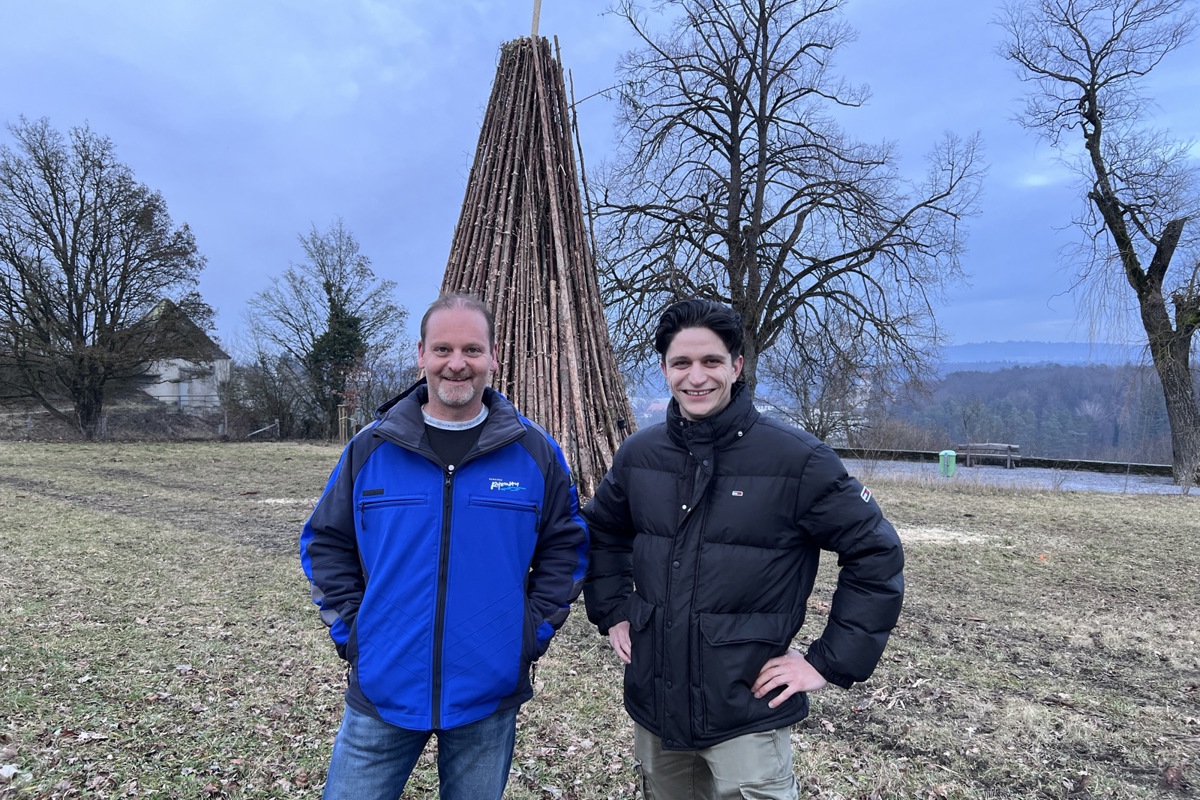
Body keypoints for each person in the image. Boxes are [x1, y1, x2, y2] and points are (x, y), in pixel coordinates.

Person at [583, 299, 905, 799]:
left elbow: (875, 552)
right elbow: (602, 531)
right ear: (664, 369)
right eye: (681, 363)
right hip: (656, 703)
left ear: (736, 366)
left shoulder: (797, 460)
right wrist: (612, 610)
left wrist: (828, 662)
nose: (696, 377)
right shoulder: (639, 455)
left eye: (711, 361)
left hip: (746, 709)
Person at [300, 292, 589, 800]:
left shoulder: (534, 453)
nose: (457, 364)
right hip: (384, 688)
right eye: (443, 350)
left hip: (487, 692)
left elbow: (567, 549)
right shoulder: (372, 447)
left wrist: (528, 633)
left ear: (494, 357)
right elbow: (325, 542)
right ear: (421, 354)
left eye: (472, 350)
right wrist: (355, 633)